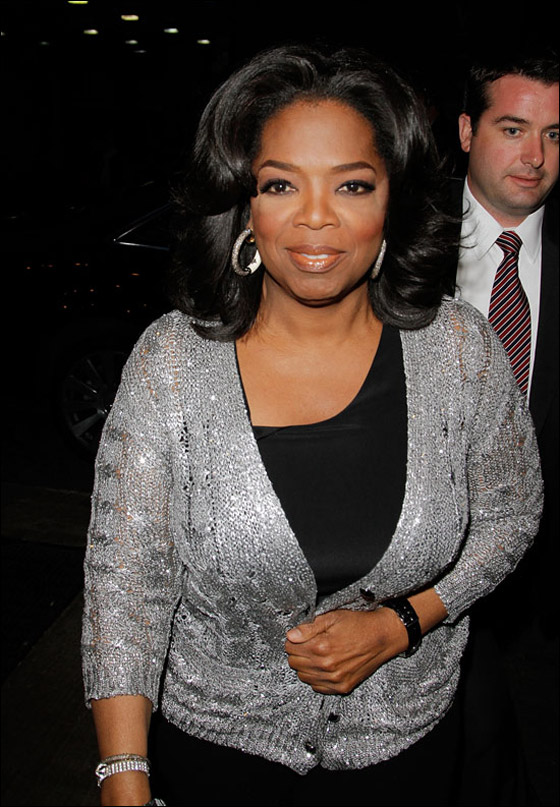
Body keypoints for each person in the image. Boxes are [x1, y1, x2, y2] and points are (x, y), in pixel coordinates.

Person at [82, 45, 543, 807]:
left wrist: (403, 622)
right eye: (280, 184)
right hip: (216, 758)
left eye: (352, 184)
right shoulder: (172, 363)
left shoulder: (460, 350)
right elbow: (125, 584)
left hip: (405, 752)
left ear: (391, 200)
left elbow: (512, 514)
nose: (317, 217)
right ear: (245, 205)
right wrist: (123, 775)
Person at [446, 51, 558, 804]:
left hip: (545, 614)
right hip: (416, 606)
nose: (535, 156)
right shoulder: (400, 248)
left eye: (554, 134)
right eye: (514, 129)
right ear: (467, 131)